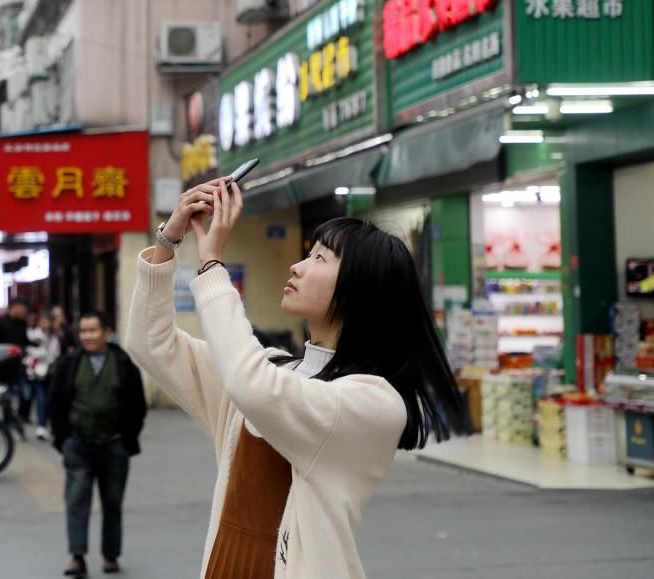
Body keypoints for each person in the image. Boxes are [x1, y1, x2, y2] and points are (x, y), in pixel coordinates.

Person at [126, 179, 471, 579]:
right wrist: (168, 241)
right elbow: (151, 344)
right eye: (308, 254)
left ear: (360, 289)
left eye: (320, 259)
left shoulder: (373, 403)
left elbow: (253, 386)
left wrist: (212, 267)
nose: (297, 265)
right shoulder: (275, 371)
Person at [49, 311, 147, 577]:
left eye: (93, 331)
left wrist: (127, 439)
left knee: (112, 502)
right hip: (78, 445)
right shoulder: (69, 363)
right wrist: (63, 439)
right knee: (76, 501)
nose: (87, 336)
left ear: (106, 332)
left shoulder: (123, 363)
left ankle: (111, 556)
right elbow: (56, 402)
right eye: (83, 331)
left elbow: (138, 406)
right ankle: (77, 557)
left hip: (114, 446)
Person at [25, 311, 63, 440]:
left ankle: (52, 426)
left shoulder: (54, 337)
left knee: (51, 399)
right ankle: (41, 426)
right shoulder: (32, 335)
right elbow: (28, 351)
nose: (45, 324)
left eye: (47, 322)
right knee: (41, 399)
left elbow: (55, 354)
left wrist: (45, 356)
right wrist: (39, 354)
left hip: (51, 372)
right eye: (43, 322)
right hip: (36, 373)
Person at [0, 297, 31, 389]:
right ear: (16, 307)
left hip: (16, 366)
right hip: (1, 366)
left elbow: (24, 342)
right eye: (23, 310)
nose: (24, 313)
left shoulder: (22, 323)